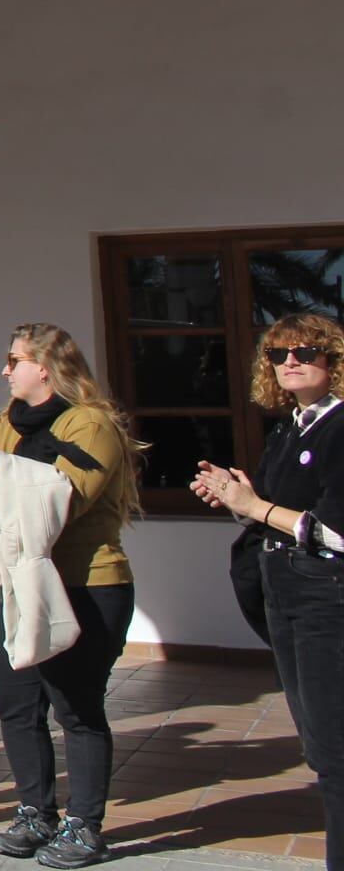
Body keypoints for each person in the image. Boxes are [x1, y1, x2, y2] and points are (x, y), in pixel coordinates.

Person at [0, 324, 140, 870]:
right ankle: (35, 810)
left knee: (76, 708)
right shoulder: (6, 423)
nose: (5, 371)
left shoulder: (91, 424)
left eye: (15, 360)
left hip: (86, 582)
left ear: (47, 366)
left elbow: (70, 495)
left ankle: (85, 825)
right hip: (13, 583)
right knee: (14, 704)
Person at [195, 313, 344, 871]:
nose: (291, 362)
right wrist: (237, 495)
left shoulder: (340, 425)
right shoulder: (290, 428)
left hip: (326, 598)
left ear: (333, 359)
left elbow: (336, 530)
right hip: (285, 592)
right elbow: (278, 514)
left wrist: (255, 508)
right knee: (318, 742)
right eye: (279, 355)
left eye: (306, 351)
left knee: (335, 748)